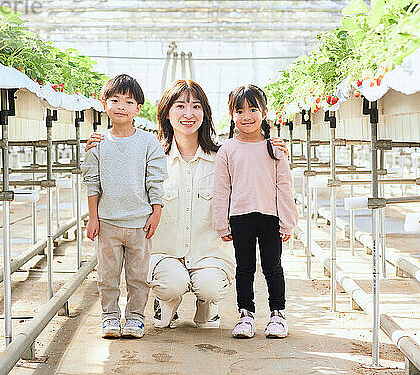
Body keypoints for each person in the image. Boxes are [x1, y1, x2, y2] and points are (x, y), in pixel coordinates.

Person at [85, 79, 289, 329]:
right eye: (180, 106)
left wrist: (272, 148)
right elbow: (116, 175)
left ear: (205, 113)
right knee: (172, 284)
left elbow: (258, 177)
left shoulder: (223, 157)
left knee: (210, 287)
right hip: (165, 254)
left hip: (208, 256)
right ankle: (167, 301)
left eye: (196, 107)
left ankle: (208, 306)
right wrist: (102, 145)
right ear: (167, 114)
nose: (188, 114)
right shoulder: (150, 155)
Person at [81, 74, 168, 339]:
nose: (121, 106)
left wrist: (156, 211)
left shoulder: (148, 143)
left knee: (138, 276)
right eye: (115, 100)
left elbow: (155, 180)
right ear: (103, 103)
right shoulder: (98, 144)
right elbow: (92, 182)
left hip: (139, 223)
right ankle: (109, 317)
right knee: (107, 275)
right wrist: (93, 218)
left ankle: (135, 318)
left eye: (129, 102)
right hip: (108, 223)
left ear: (138, 108)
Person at [212, 84, 298, 339]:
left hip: (270, 216)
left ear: (264, 112)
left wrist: (288, 221)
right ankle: (246, 315)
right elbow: (221, 188)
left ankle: (277, 314)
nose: (246, 116)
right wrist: (221, 223)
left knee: (273, 266)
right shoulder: (228, 149)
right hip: (240, 217)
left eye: (253, 109)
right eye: (239, 110)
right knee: (244, 268)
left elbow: (284, 185)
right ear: (232, 115)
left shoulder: (275, 148)